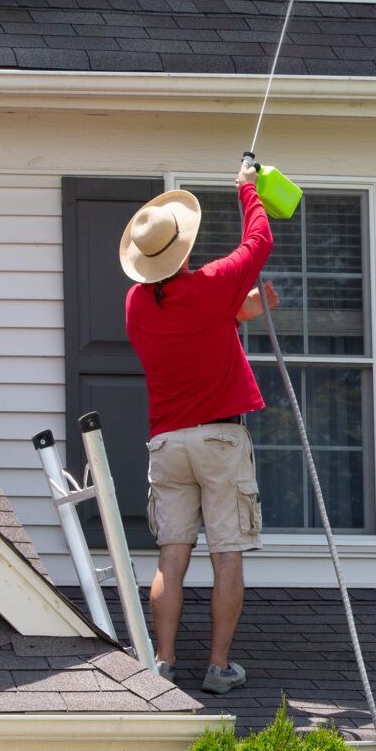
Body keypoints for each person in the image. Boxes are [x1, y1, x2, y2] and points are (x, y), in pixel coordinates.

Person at [118, 153, 275, 694]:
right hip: (218, 438)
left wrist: (238, 307)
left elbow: (195, 319)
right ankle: (218, 667)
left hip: (166, 443)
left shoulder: (136, 305)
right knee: (226, 552)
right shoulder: (209, 285)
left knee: (172, 554)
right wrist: (246, 188)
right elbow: (258, 244)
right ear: (182, 248)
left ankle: (162, 661)